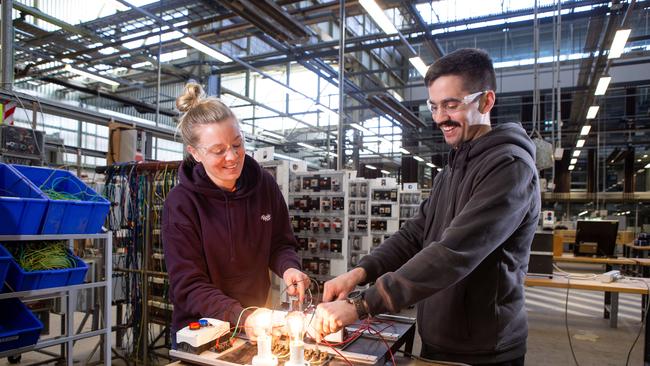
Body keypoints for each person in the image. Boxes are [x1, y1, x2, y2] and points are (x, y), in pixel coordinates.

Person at [314, 48, 541, 366]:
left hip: (485, 348)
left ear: (486, 101)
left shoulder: (510, 168)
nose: (439, 118)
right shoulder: (454, 166)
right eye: (434, 107)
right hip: (438, 337)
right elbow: (415, 234)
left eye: (451, 105)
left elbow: (453, 253)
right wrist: (359, 273)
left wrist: (361, 306)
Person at [163, 82, 310, 343]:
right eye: (218, 151)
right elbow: (188, 284)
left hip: (255, 323)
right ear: (195, 153)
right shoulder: (181, 203)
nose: (232, 157)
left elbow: (280, 243)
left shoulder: (263, 185)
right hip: (203, 329)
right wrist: (239, 315)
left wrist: (288, 268)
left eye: (237, 144)